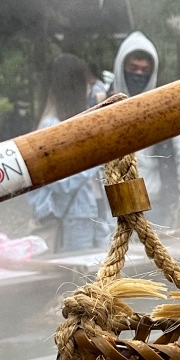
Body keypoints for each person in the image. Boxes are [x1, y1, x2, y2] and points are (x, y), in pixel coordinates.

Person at [111, 32, 180, 230]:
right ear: (121, 67)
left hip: (157, 204)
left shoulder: (165, 110)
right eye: (133, 68)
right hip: (115, 206)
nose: (139, 74)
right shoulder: (104, 111)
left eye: (144, 69)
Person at [30, 54, 111, 253]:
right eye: (86, 84)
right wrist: (95, 160)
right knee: (77, 278)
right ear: (74, 87)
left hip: (98, 213)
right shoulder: (51, 127)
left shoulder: (82, 124)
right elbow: (59, 181)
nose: (89, 90)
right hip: (72, 217)